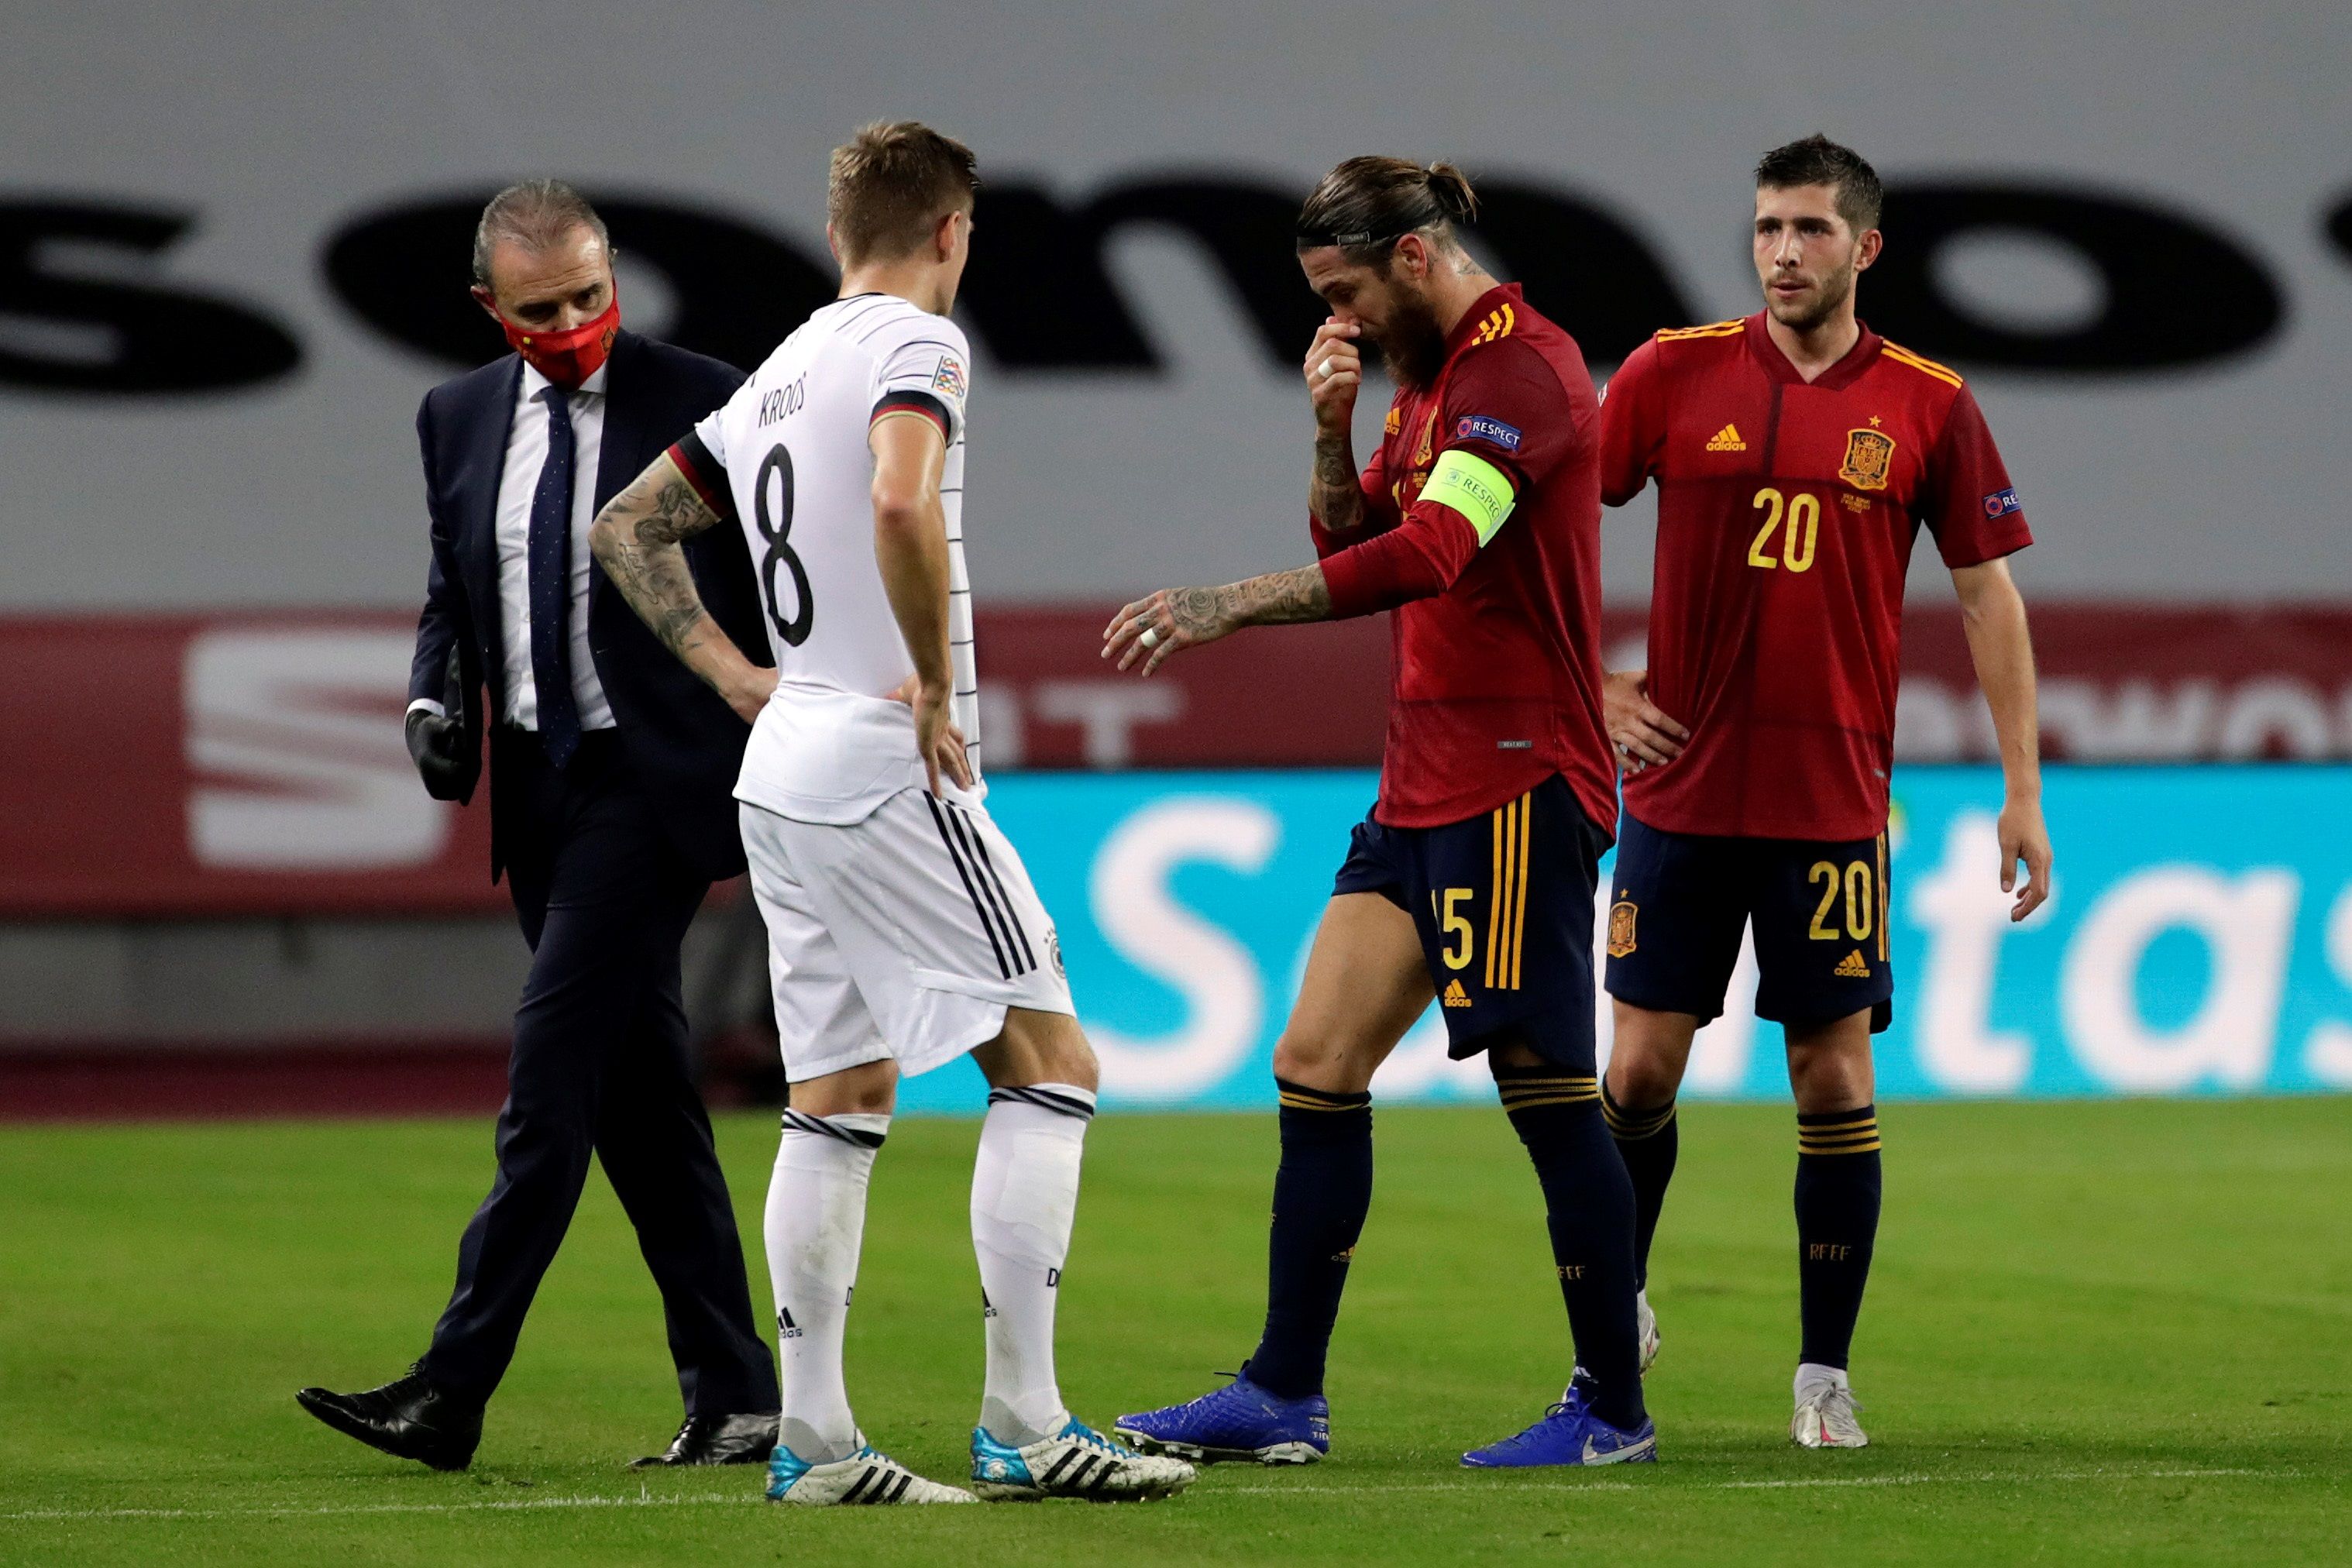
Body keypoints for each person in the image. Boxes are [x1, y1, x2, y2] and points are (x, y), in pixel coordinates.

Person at [588, 121, 1195, 1507]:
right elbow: (902, 501)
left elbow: (624, 527)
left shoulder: (780, 371)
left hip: (786, 760)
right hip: (877, 760)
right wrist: (928, 683)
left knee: (837, 1099)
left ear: (831, 234)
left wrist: (738, 673)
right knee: (1051, 1063)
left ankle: (812, 1443)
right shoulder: (923, 347)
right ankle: (1025, 1425)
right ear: (950, 233)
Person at [1106, 157, 1655, 1470]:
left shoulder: (1523, 373)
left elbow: (1432, 558)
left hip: (1520, 779)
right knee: (1314, 1062)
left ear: (1415, 256)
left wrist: (1231, 603)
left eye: (1341, 293)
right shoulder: (1423, 386)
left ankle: (1614, 1410)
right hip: (1422, 781)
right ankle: (1285, 1393)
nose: (1335, 322)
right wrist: (1326, 430)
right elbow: (1369, 528)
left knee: (1546, 1089)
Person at [297, 181, 779, 1472]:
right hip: (538, 785)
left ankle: (452, 1387)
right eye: (539, 310)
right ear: (487, 308)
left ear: (614, 272)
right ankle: (739, 1397)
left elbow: (776, 574)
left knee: (548, 1083)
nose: (571, 324)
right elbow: (455, 581)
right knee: (640, 1107)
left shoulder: (710, 398)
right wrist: (426, 695)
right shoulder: (451, 415)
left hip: (657, 783)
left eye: (589, 296)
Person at [1595, 135, 2051, 1449]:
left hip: (1831, 805)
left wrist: (2022, 788)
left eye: (1808, 229)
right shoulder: (1674, 374)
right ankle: (1614, 1297)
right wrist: (1590, 679)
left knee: (1836, 1085)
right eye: (1766, 228)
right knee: (1635, 1072)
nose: (1783, 251)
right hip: (1677, 795)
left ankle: (1823, 1377)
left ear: (1866, 247)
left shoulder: (1928, 403)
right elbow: (1542, 516)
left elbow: (1985, 590)